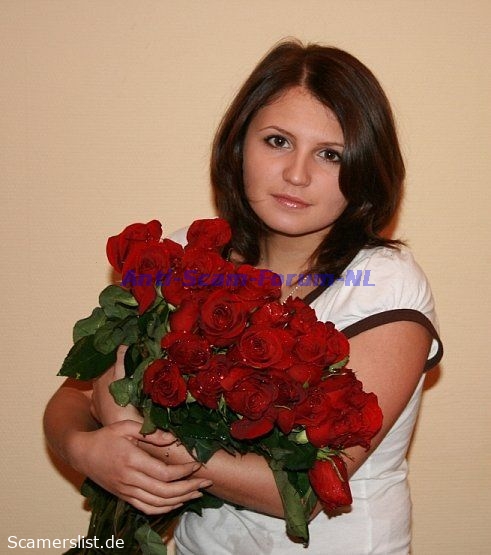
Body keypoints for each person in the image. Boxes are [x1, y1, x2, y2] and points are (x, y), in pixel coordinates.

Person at [44, 40, 443, 554]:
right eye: (278, 141)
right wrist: (86, 450)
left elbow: (304, 490)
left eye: (330, 154)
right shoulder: (189, 257)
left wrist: (135, 430)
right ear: (238, 145)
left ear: (365, 168)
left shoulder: (387, 284)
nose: (297, 174)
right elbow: (73, 398)